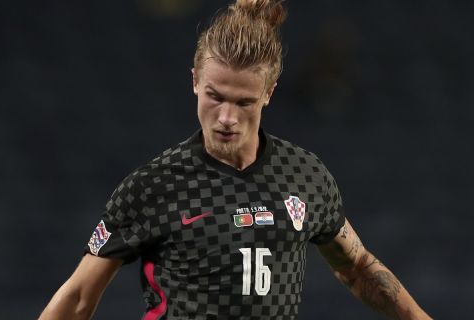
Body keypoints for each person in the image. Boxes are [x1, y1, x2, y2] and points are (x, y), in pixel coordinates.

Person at [39, 0, 432, 319]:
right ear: (194, 81)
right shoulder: (153, 186)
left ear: (269, 93)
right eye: (215, 96)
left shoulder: (306, 176)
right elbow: (76, 300)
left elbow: (357, 267)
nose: (227, 117)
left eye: (244, 102)